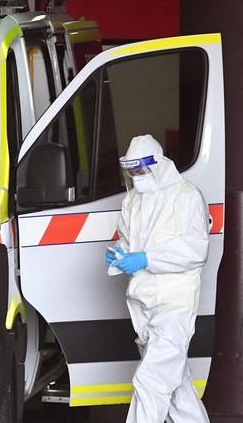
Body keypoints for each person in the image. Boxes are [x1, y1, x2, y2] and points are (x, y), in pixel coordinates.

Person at [106, 134, 210, 423]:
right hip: (142, 302)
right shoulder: (133, 202)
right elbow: (129, 243)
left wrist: (148, 258)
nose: (137, 178)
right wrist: (119, 256)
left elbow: (195, 249)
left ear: (159, 165)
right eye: (133, 172)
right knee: (177, 388)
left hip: (175, 303)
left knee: (151, 381)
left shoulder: (186, 196)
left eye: (141, 171)